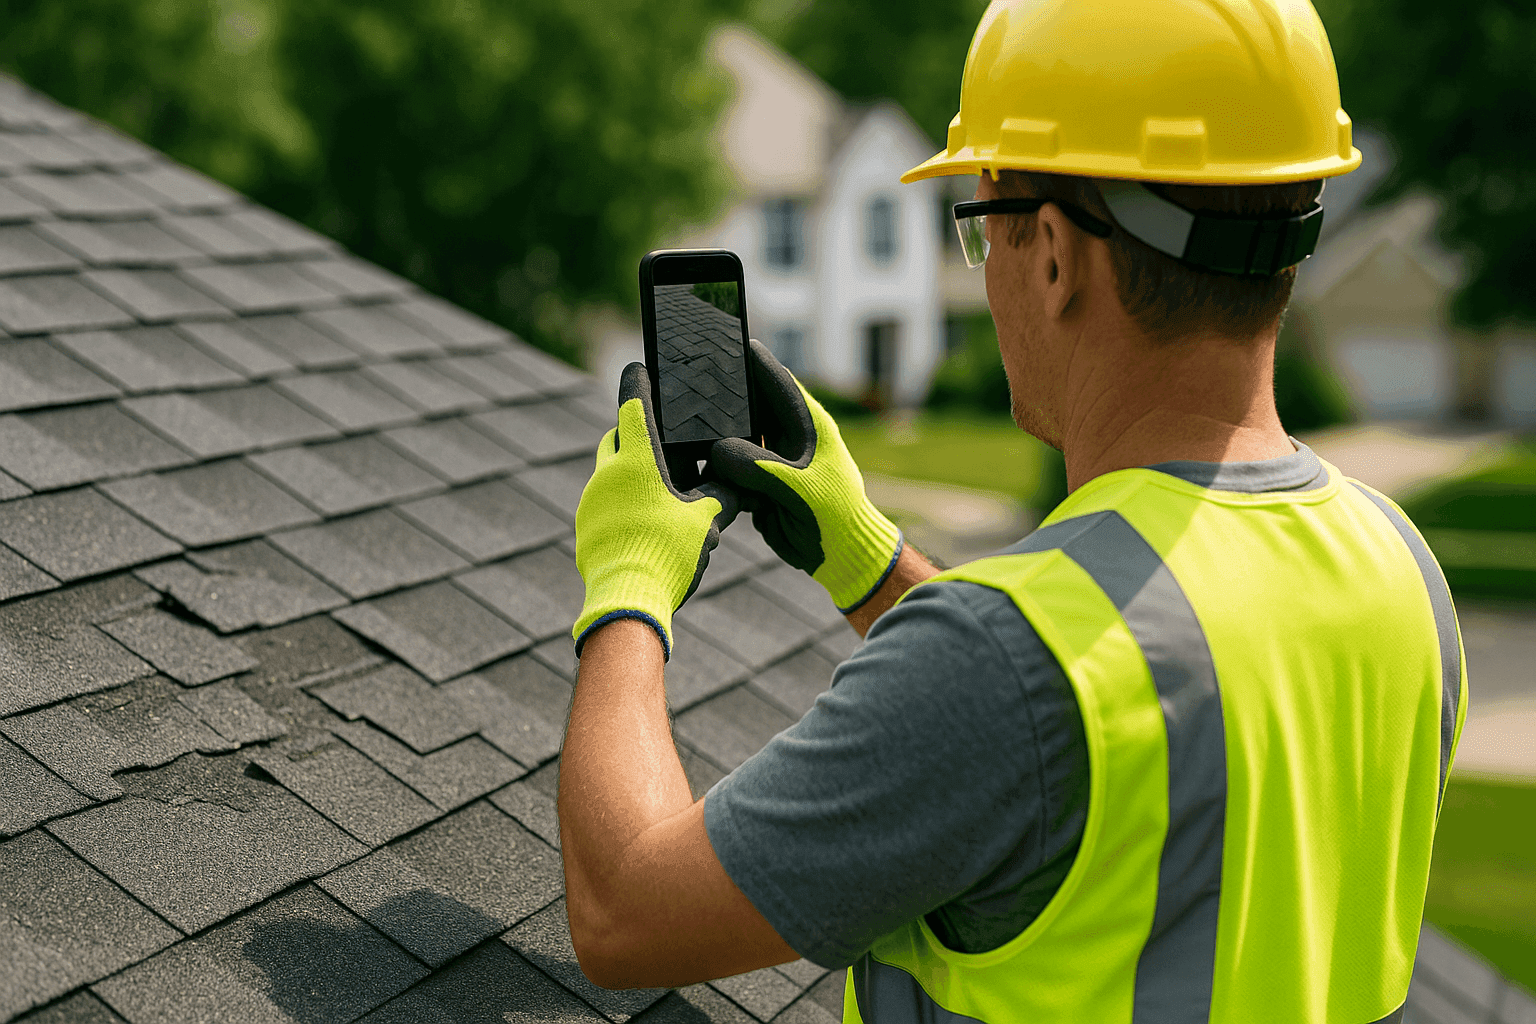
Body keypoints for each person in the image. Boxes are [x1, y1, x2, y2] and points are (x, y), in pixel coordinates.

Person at [557, 1, 1467, 1021]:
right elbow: (1090, 726)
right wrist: (866, 557)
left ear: (1055, 256)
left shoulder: (1001, 663)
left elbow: (623, 909)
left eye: (982, 230)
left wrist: (628, 579)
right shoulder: (1404, 574)